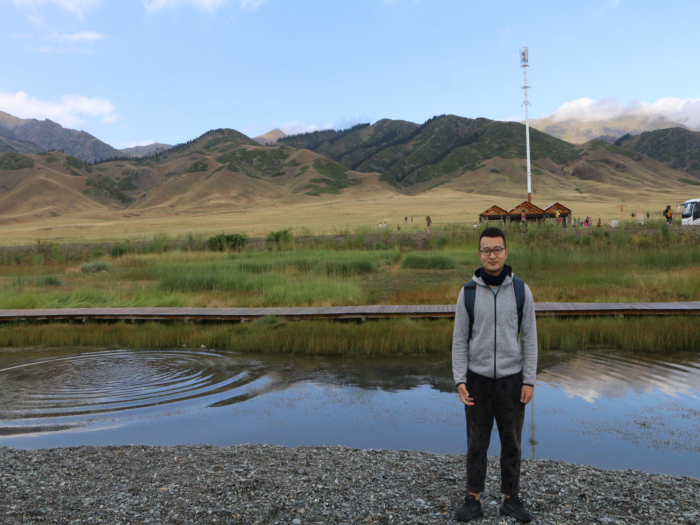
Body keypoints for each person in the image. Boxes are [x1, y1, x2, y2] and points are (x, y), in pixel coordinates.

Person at [452, 227, 537, 522]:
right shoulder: (468, 293)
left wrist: (529, 380)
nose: (492, 255)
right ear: (479, 255)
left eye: (497, 249)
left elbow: (530, 339)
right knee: (476, 442)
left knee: (512, 442)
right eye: (486, 250)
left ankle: (511, 499)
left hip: (513, 380)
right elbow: (459, 340)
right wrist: (460, 380)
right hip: (477, 380)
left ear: (506, 252)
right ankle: (473, 499)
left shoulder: (521, 290)